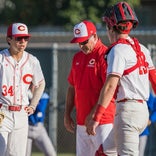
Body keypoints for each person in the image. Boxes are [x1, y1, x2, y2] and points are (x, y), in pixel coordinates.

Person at [86, 2, 156, 155]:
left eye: (107, 25)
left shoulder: (118, 50)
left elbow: (110, 86)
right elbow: (154, 80)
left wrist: (96, 117)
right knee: (104, 151)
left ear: (111, 26)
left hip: (128, 113)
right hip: (141, 111)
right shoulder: (142, 49)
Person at [64, 20, 117, 156]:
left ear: (95, 36)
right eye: (79, 42)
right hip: (82, 121)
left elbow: (109, 89)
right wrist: (67, 114)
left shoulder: (105, 55)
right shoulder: (77, 57)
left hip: (103, 121)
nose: (81, 45)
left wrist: (94, 115)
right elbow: (72, 87)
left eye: (84, 41)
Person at [0, 23, 45, 156]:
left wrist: (33, 105)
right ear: (9, 39)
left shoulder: (32, 61)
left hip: (21, 114)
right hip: (2, 112)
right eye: (18, 38)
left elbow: (40, 84)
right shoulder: (1, 59)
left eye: (25, 38)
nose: (23, 42)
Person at [26, 90, 57, 156]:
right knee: (25, 154)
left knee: (51, 153)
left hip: (39, 128)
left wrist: (32, 100)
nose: (34, 85)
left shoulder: (43, 95)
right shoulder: (24, 94)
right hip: (27, 128)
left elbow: (40, 109)